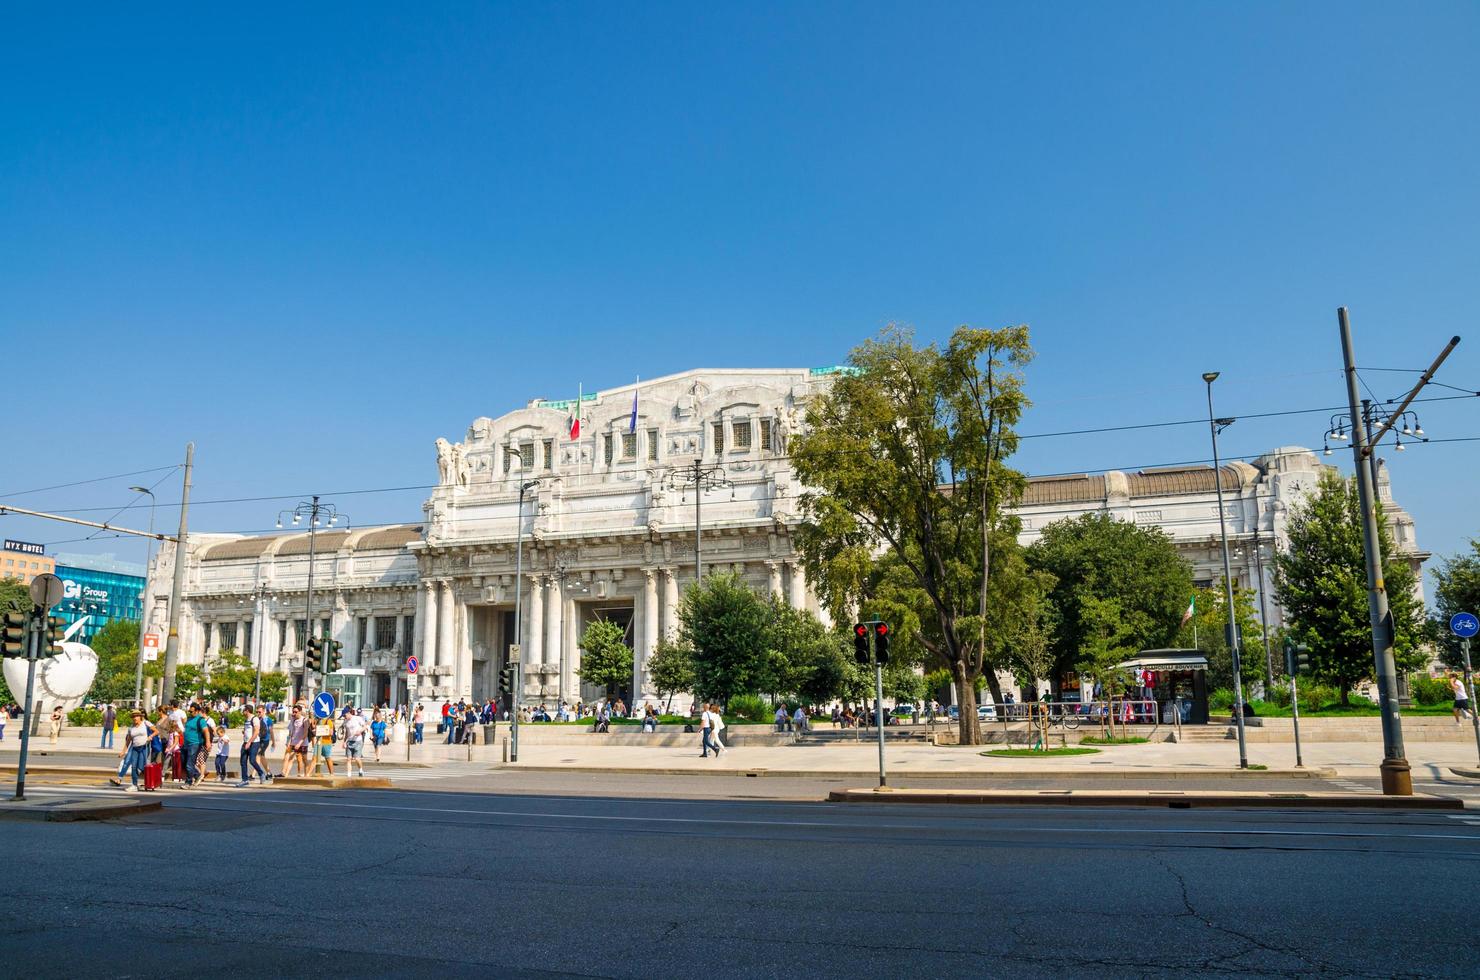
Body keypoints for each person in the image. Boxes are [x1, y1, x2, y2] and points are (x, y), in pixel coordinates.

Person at [113, 710, 154, 792]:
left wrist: (150, 736)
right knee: (134, 767)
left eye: (136, 716)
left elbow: (156, 731)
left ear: (140, 717)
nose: (135, 718)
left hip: (144, 747)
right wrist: (123, 751)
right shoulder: (131, 728)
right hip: (135, 748)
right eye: (133, 717)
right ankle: (134, 785)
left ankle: (149, 782)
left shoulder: (146, 723)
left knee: (141, 766)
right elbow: (128, 741)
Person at [181, 703, 213, 788]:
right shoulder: (189, 719)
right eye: (190, 711)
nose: (190, 713)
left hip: (195, 744)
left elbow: (206, 731)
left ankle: (188, 782)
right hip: (186, 744)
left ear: (197, 711)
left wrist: (208, 742)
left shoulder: (200, 720)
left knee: (189, 763)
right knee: (184, 762)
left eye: (192, 711)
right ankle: (197, 775)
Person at [239, 706, 267, 786]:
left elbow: (256, 732)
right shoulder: (246, 719)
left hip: (254, 743)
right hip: (245, 742)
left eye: (243, 710)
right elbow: (248, 730)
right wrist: (244, 733)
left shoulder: (255, 719)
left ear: (247, 711)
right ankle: (245, 780)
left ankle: (261, 774)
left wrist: (249, 742)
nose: (242, 712)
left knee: (252, 760)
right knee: (243, 761)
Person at [282, 703, 311, 777]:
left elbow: (305, 734)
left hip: (303, 743)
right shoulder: (293, 720)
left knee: (304, 760)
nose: (294, 713)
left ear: (300, 712)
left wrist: (299, 743)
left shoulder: (305, 720)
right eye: (293, 712)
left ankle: (306, 775)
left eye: (296, 712)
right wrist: (288, 741)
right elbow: (291, 732)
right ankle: (285, 774)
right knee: (289, 758)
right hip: (293, 742)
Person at [342, 708, 368, 777]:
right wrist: (344, 742)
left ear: (348, 713)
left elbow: (365, 726)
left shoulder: (357, 718)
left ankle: (360, 769)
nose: (344, 717)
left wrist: (360, 731)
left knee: (357, 758)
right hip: (349, 741)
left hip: (358, 741)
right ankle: (349, 775)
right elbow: (346, 733)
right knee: (348, 759)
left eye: (344, 716)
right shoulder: (345, 722)